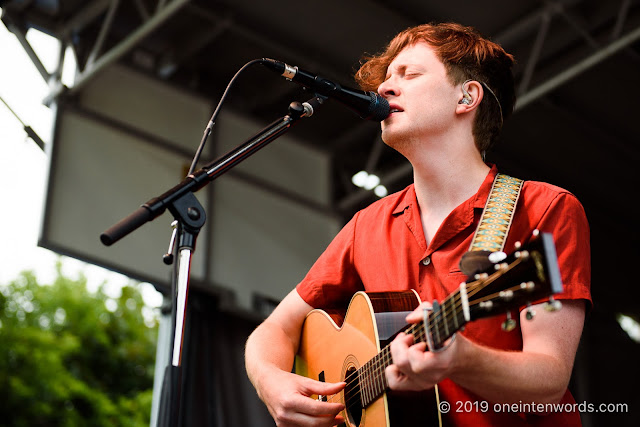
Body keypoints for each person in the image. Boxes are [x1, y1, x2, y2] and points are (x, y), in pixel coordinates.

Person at [245, 22, 591, 427]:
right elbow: (273, 330)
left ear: (466, 97)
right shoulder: (367, 225)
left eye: (409, 74)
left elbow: (550, 379)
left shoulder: (543, 207)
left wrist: (462, 359)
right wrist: (271, 382)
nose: (385, 89)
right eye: (387, 78)